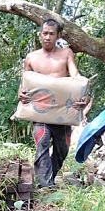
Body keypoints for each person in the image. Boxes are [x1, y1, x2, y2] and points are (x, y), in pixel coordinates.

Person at [19, 19, 82, 188]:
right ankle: (45, 186)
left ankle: (49, 178)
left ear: (58, 36)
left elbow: (75, 76)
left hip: (62, 112)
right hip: (40, 111)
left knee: (63, 149)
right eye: (44, 33)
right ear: (40, 35)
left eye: (51, 34)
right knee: (43, 143)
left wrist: (82, 94)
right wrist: (21, 94)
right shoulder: (31, 58)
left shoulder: (66, 53)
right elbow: (24, 83)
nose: (47, 37)